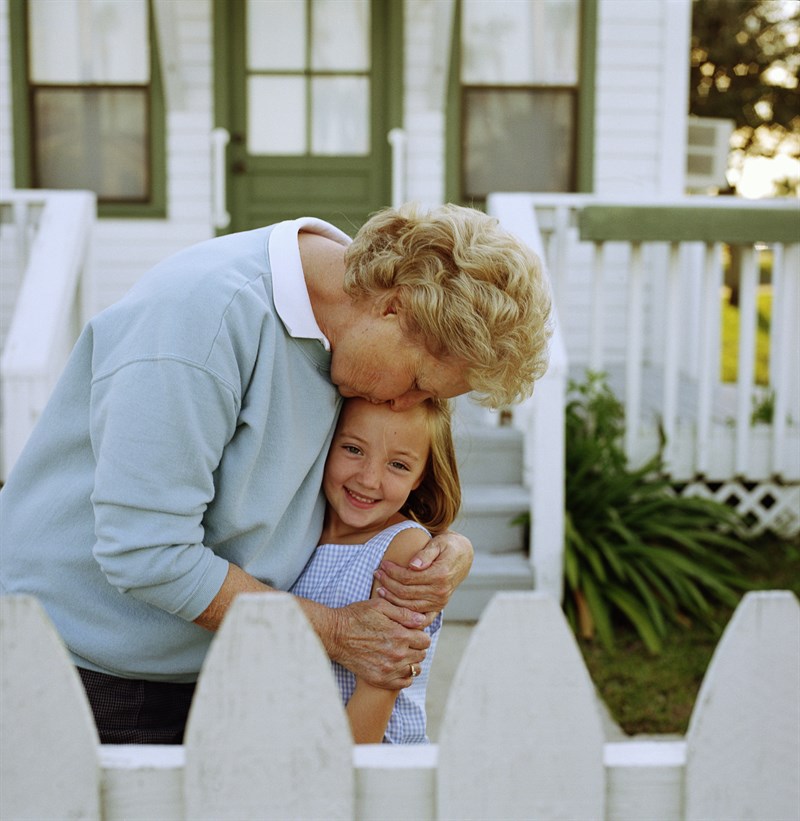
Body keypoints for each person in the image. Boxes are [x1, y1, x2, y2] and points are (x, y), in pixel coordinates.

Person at [0, 202, 551, 744]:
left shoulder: (353, 335)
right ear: (394, 307)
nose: (405, 403)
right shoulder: (199, 322)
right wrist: (335, 632)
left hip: (228, 664)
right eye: (418, 384)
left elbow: (360, 487)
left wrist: (444, 549)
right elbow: (146, 552)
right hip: (90, 671)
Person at [291, 396, 460, 744]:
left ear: (420, 476)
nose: (369, 480)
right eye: (353, 449)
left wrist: (333, 776)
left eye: (398, 465)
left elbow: (379, 686)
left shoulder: (405, 549)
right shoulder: (298, 529)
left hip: (369, 764)